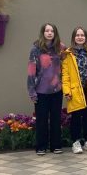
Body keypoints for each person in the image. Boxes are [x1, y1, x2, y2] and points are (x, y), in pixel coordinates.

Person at [27, 23, 64, 155]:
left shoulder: (60, 48)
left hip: (56, 90)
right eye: (47, 31)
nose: (49, 33)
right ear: (43, 33)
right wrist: (31, 91)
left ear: (55, 33)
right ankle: (41, 146)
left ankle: (56, 145)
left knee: (56, 119)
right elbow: (31, 71)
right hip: (41, 91)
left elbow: (69, 60)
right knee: (42, 120)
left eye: (52, 31)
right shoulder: (36, 49)